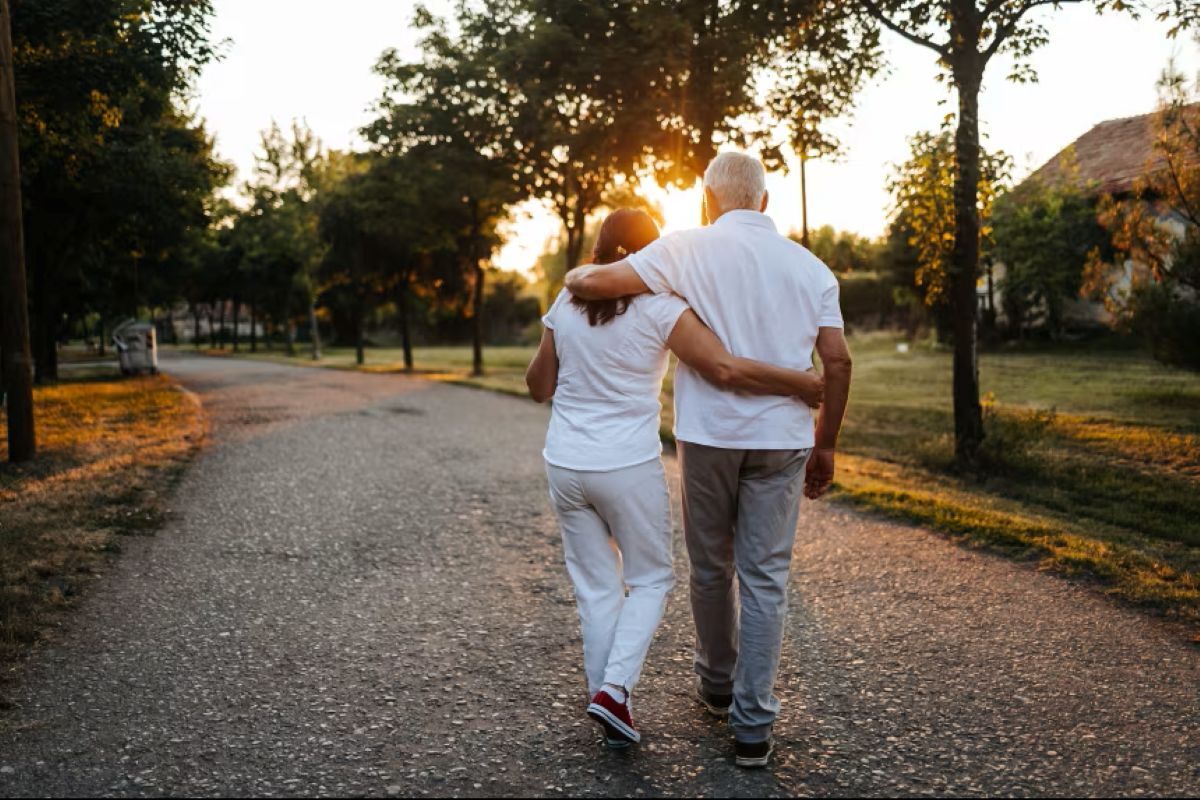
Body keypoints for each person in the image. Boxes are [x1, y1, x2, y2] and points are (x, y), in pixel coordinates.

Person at [565, 152, 853, 768]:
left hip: (709, 437)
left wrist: (576, 278)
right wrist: (825, 442)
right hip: (784, 440)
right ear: (766, 203)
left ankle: (716, 683)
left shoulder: (684, 248)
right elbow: (838, 363)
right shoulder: (813, 269)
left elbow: (597, 283)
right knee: (766, 576)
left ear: (707, 201)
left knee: (709, 566)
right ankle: (752, 727)